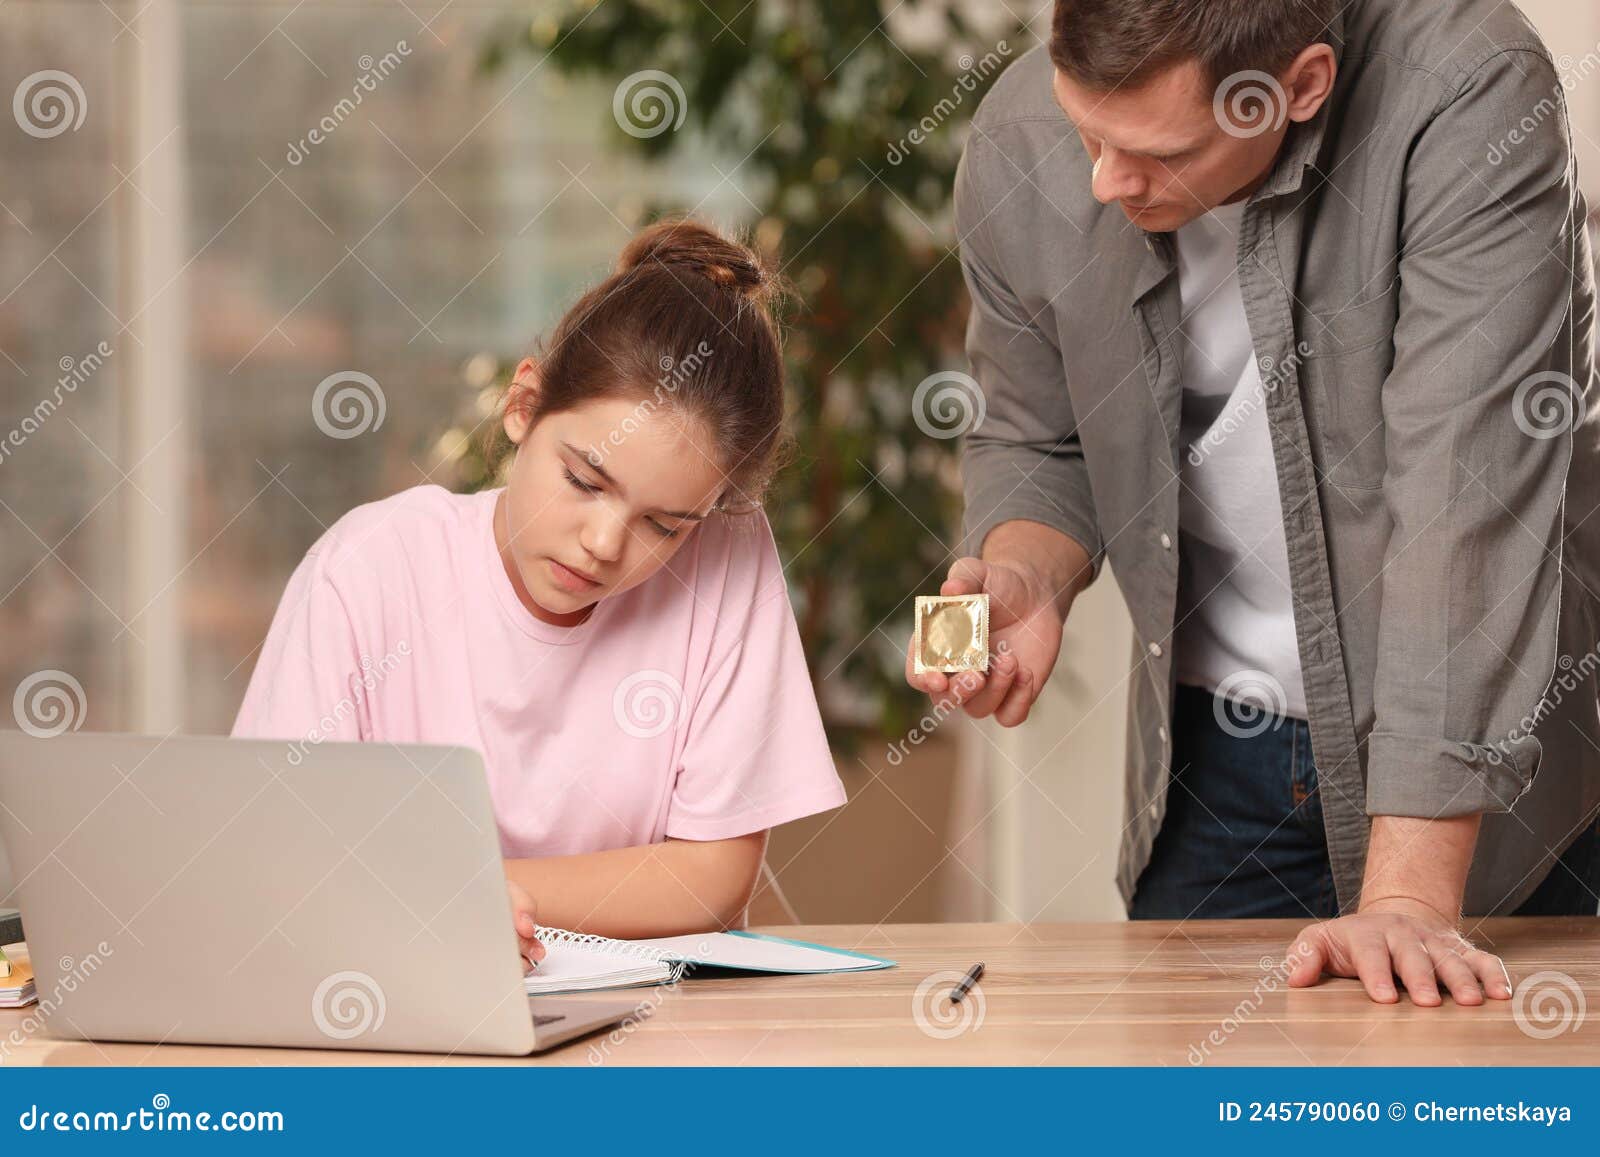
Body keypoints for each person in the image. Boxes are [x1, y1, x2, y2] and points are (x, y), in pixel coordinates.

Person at [909, 0, 1600, 1006]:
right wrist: (1024, 567)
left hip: (1494, 791)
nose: (1104, 180)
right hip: (1211, 771)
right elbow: (1032, 431)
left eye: (1155, 151)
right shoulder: (1023, 133)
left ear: (1301, 85)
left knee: (1466, 1103)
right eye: (1088, 136)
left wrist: (1407, 896)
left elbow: (1467, 498)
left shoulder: (1466, 88)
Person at [235, 219, 846, 968]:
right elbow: (281, 852)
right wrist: (456, 902)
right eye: (585, 481)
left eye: (665, 524)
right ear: (523, 405)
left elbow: (712, 875)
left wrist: (474, 891)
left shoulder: (728, 554)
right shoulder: (366, 570)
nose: (604, 544)